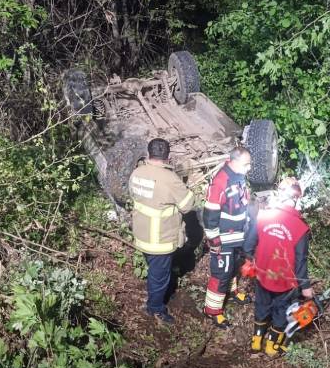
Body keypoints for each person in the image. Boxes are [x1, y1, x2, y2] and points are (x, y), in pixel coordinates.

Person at [128, 138, 197, 325]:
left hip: (141, 234)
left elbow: (133, 195)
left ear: (149, 153)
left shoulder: (137, 172)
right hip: (160, 240)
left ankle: (154, 297)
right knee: (160, 276)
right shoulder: (170, 179)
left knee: (154, 271)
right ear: (168, 156)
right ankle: (155, 309)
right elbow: (188, 205)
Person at [244, 177, 312, 356]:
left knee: (261, 305)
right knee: (282, 311)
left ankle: (256, 342)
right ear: (297, 199)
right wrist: (306, 288)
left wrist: (251, 259)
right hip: (285, 281)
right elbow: (301, 261)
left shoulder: (264, 215)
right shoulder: (300, 228)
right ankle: (271, 346)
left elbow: (249, 244)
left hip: (262, 274)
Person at [201, 147, 254, 327]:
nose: (249, 168)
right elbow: (210, 214)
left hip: (237, 237)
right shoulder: (221, 181)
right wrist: (213, 241)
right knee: (221, 274)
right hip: (223, 239)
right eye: (247, 164)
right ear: (235, 161)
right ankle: (212, 310)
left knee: (233, 268)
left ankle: (231, 292)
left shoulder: (239, 177)